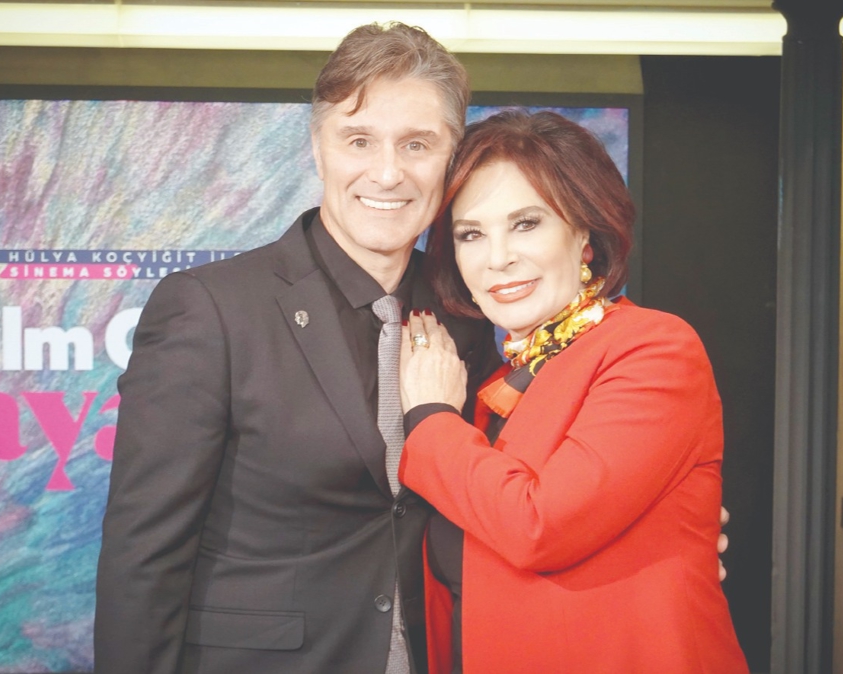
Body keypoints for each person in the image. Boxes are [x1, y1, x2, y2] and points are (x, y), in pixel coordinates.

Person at [93, 23, 500, 674]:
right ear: (317, 148)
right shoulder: (210, 308)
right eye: (358, 140)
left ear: (452, 157)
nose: (388, 172)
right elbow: (143, 555)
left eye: (417, 144)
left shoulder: (468, 312)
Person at [398, 110, 749, 673]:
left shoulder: (654, 349)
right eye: (471, 234)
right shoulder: (496, 383)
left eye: (526, 223)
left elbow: (539, 527)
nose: (498, 257)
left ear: (584, 234)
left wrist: (431, 417)